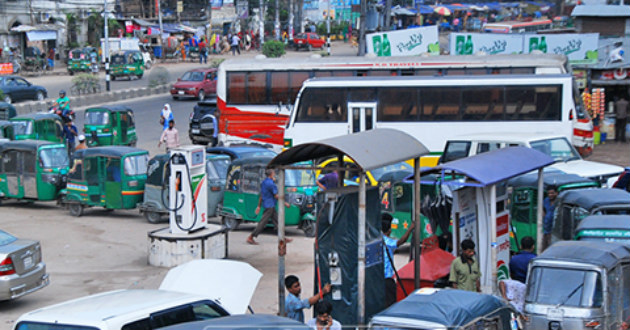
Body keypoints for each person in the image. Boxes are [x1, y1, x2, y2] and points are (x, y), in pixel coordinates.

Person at [246, 169, 293, 245]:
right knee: (263, 223)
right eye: (274, 173)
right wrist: (285, 203)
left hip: (268, 205)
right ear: (271, 174)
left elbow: (261, 195)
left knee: (278, 222)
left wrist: (258, 206)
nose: (274, 175)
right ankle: (251, 237)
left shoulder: (264, 182)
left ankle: (283, 238)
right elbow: (276, 195)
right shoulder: (271, 184)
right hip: (270, 206)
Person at [382, 213, 415, 308]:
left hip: (378, 278)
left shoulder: (377, 238)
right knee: (390, 303)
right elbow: (401, 241)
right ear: (389, 230)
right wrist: (410, 228)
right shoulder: (387, 242)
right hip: (387, 278)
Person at [542, 185, 558, 251]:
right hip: (546, 229)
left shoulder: (559, 201)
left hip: (554, 231)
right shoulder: (546, 201)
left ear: (556, 193)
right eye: (549, 193)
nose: (550, 195)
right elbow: (543, 210)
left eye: (552, 193)